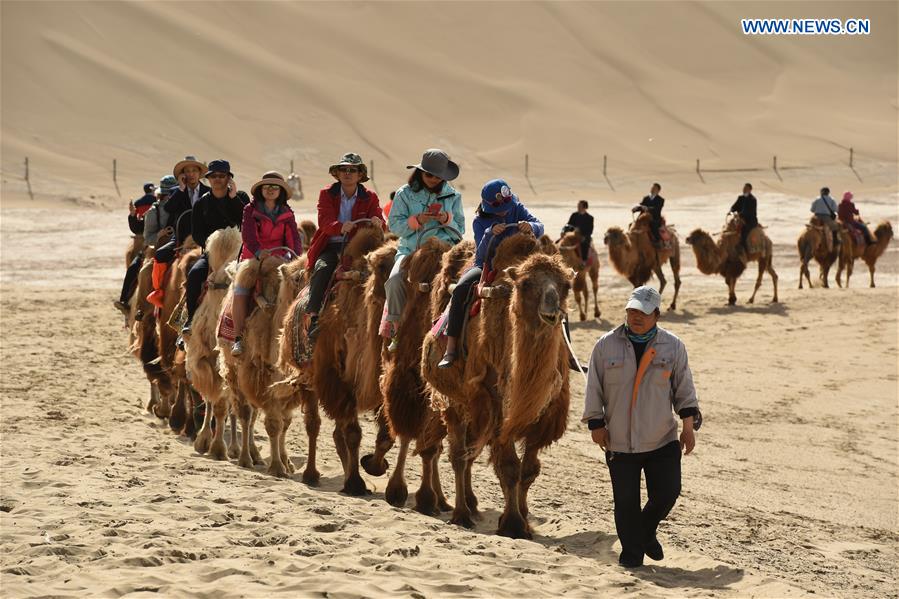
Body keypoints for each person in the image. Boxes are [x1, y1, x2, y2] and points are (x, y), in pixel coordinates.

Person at [582, 286, 700, 568]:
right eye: (632, 310)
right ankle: (632, 557)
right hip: (620, 441)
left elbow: (684, 389)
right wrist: (596, 424)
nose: (636, 317)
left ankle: (644, 532)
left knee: (668, 492)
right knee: (625, 504)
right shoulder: (605, 345)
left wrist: (687, 427)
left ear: (657, 315)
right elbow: (593, 388)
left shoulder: (673, 346)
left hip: (662, 438)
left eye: (644, 313)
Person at [438, 179, 543, 367]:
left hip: (518, 264)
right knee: (461, 288)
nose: (504, 211)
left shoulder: (516, 208)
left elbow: (539, 225)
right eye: (500, 209)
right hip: (489, 264)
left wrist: (531, 226)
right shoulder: (479, 221)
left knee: (552, 285)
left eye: (506, 207)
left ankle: (565, 351)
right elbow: (481, 251)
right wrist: (490, 233)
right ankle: (451, 346)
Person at [385, 149, 465, 351]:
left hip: (445, 251)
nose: (433, 179)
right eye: (429, 174)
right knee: (394, 280)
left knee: (462, 284)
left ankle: (456, 330)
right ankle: (395, 327)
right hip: (412, 249)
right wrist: (417, 221)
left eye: (438, 176)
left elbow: (461, 229)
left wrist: (448, 219)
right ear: (420, 172)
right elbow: (393, 225)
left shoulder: (453, 196)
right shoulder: (405, 194)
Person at [303, 153, 385, 338]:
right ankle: (313, 316)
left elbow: (381, 221)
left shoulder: (370, 196)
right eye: (344, 169)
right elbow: (324, 221)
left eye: (352, 170)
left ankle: (384, 317)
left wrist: (378, 222)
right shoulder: (327, 193)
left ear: (359, 174)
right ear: (337, 173)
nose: (348, 173)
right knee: (322, 268)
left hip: (359, 248)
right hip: (332, 246)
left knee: (382, 271)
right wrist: (340, 227)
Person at [230, 172, 303, 356]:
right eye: (267, 187)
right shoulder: (250, 210)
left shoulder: (287, 212)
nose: (270, 190)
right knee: (240, 289)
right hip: (253, 258)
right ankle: (237, 338)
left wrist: (296, 257)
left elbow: (294, 238)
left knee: (298, 288)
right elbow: (248, 236)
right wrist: (257, 252)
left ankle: (297, 335)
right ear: (261, 190)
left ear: (281, 191)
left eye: (275, 187)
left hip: (280, 260)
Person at [180, 160, 249, 342]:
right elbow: (197, 234)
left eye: (222, 176)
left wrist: (234, 199)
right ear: (208, 179)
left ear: (229, 178)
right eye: (214, 176)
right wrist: (215, 246)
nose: (217, 179)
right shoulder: (201, 204)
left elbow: (247, 223)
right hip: (212, 254)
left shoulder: (241, 198)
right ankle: (191, 319)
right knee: (194, 274)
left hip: (238, 252)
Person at [113, 182, 158, 315]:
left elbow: (137, 225)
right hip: (149, 236)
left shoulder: (139, 202)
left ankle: (125, 299)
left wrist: (133, 214)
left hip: (141, 236)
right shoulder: (156, 202)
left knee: (133, 268)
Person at [729, 182, 758, 251]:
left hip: (750, 221)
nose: (744, 190)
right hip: (739, 220)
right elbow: (733, 207)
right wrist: (731, 212)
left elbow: (749, 211)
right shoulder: (740, 198)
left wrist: (740, 214)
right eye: (744, 188)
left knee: (744, 233)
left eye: (746, 188)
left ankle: (745, 250)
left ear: (750, 190)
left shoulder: (753, 199)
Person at [810, 186, 840, 252]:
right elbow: (836, 209)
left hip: (816, 217)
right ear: (828, 193)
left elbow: (812, 210)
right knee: (836, 227)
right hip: (826, 218)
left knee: (810, 226)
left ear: (821, 192)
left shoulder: (817, 199)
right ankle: (835, 240)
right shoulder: (831, 199)